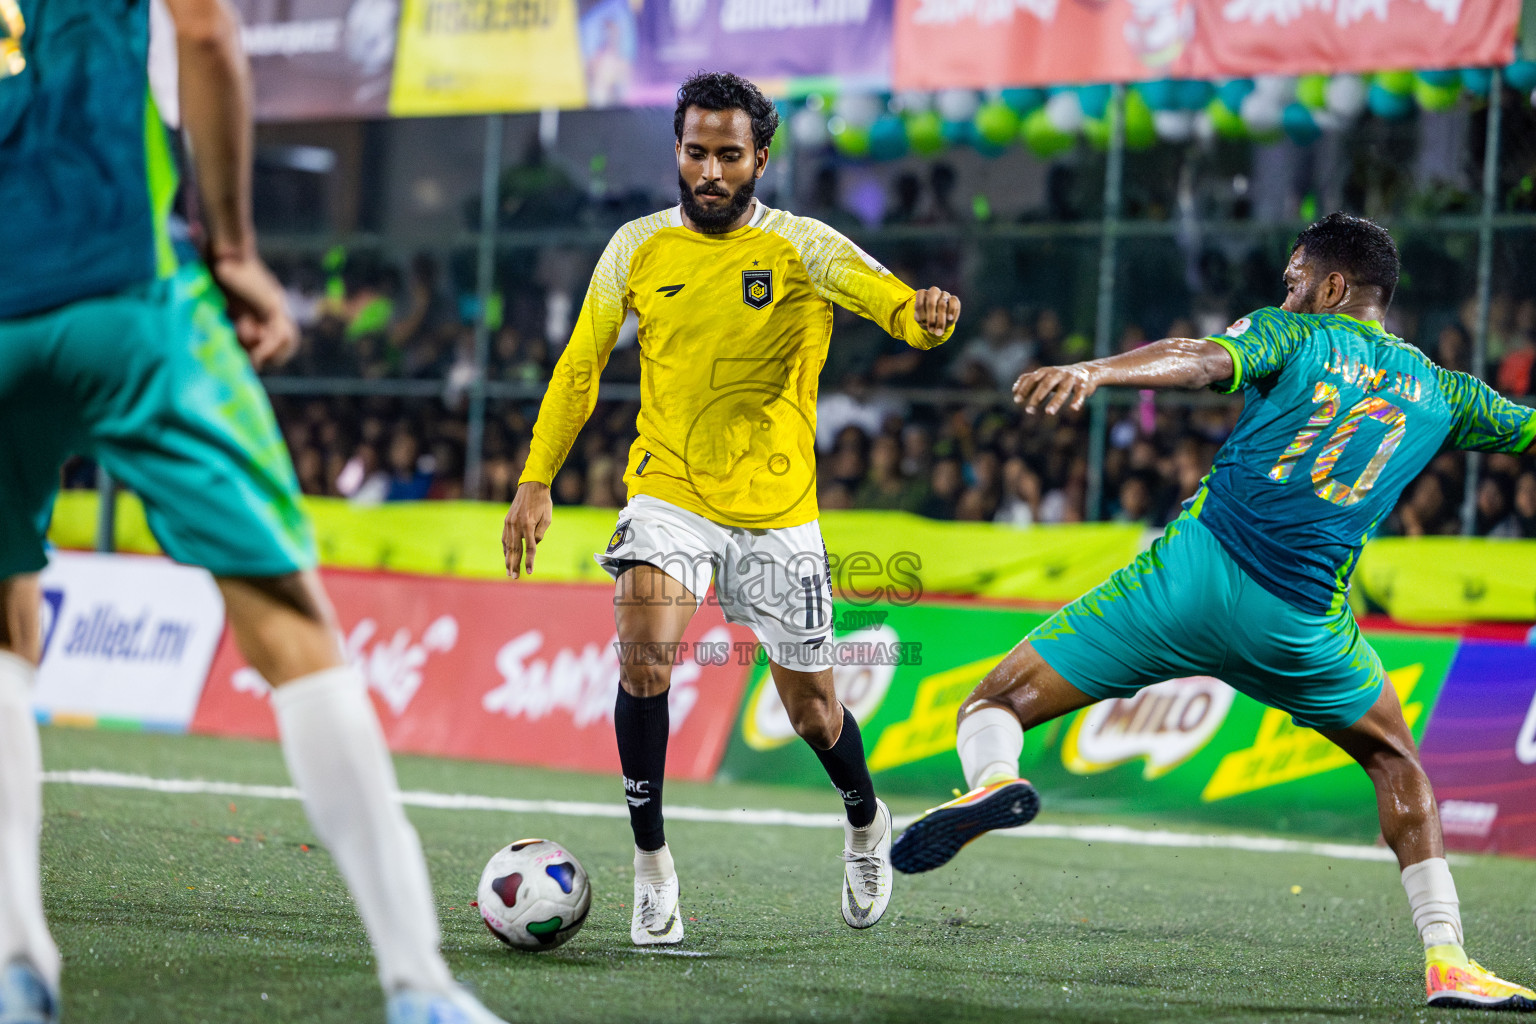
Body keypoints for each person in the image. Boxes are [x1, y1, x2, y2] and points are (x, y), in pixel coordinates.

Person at [889, 213, 1536, 1013]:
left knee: (996, 701)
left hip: (1194, 580)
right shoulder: (1443, 389)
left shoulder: (1293, 335)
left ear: (1332, 287)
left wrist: (1096, 372)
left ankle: (992, 781)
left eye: (1296, 278)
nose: (1286, 291)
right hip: (1305, 626)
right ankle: (1448, 959)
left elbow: (1202, 359)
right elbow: (1526, 427)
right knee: (1396, 761)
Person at [0, 3, 506, 1022]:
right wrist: (231, 247)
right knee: (286, 615)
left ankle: (17, 967)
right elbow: (205, 35)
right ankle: (417, 984)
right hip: (126, 295)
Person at [502, 71, 959, 946]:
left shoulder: (804, 248)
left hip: (777, 507)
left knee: (813, 714)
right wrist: (535, 477)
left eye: (728, 155)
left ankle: (866, 821)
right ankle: (651, 868)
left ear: (760, 159)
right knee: (642, 656)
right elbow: (581, 364)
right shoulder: (636, 245)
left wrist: (927, 315)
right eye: (695, 152)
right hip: (668, 489)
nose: (710, 170)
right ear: (677, 150)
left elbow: (895, 306)